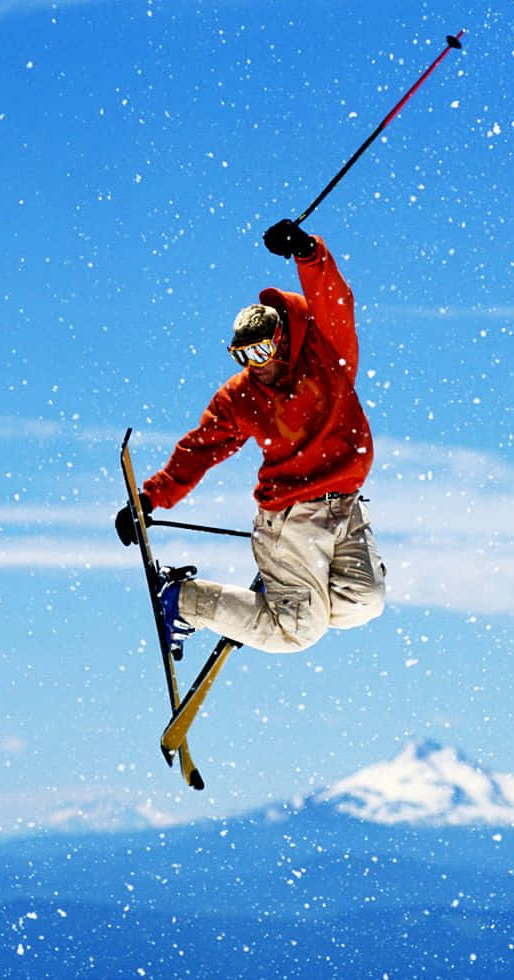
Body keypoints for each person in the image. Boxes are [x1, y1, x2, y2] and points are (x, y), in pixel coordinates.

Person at [115, 218, 386, 656]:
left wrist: (305, 250)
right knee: (298, 632)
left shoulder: (326, 353)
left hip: (345, 503)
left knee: (365, 601)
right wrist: (150, 498)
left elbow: (335, 300)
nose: (255, 365)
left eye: (260, 352)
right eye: (242, 356)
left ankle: (281, 597)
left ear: (282, 341)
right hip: (290, 515)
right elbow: (201, 448)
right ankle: (184, 600)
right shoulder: (243, 395)